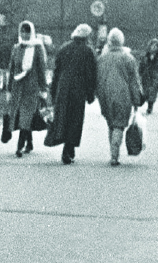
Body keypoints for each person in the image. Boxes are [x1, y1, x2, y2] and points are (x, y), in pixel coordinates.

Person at [50, 23, 98, 164]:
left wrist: (54, 91)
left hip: (62, 88)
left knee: (64, 117)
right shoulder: (88, 51)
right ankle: (68, 149)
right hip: (78, 90)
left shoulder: (64, 48)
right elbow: (91, 75)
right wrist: (90, 94)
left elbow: (56, 72)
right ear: (87, 36)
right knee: (75, 119)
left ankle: (68, 148)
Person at [96, 28, 143, 166]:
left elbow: (97, 79)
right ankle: (114, 155)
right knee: (119, 124)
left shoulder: (102, 58)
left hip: (104, 94)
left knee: (111, 123)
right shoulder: (128, 58)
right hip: (123, 95)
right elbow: (134, 82)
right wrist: (136, 101)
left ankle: (112, 152)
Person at [6, 20, 48, 157]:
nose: (24, 34)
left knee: (26, 116)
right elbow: (11, 69)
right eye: (22, 31)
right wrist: (8, 88)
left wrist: (43, 88)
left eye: (27, 31)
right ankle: (29, 142)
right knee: (21, 116)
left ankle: (19, 147)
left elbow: (41, 69)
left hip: (31, 88)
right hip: (18, 88)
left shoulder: (37, 48)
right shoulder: (16, 48)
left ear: (32, 33)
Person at [139, 38, 158, 114]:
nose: (154, 47)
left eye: (156, 46)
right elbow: (141, 67)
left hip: (154, 78)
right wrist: (138, 75)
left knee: (152, 93)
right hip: (145, 78)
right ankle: (142, 101)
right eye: (153, 45)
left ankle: (150, 107)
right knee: (146, 92)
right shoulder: (145, 57)